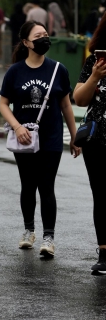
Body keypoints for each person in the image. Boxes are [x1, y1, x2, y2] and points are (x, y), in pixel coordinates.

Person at [0, 20, 80, 258]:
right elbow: (3, 104)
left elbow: (66, 105)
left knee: (46, 186)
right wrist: (16, 127)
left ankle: (49, 238)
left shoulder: (58, 70)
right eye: (38, 35)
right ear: (26, 42)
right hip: (23, 139)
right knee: (28, 185)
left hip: (51, 138)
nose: (44, 38)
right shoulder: (15, 71)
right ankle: (28, 231)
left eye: (46, 34)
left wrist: (75, 137)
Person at [73, 14, 106, 273]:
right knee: (102, 195)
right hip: (98, 139)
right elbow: (79, 100)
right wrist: (94, 77)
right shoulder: (94, 61)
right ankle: (104, 253)